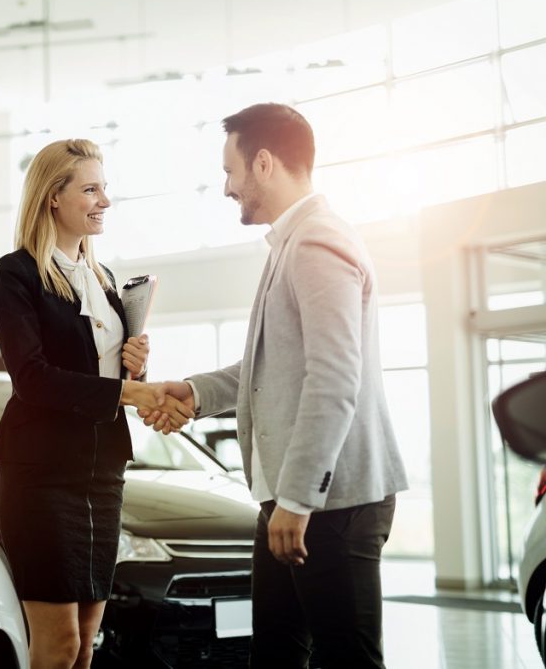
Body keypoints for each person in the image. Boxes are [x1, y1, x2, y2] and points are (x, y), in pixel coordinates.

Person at [144, 103, 408, 668]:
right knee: (276, 656)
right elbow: (274, 366)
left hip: (329, 505)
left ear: (262, 163)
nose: (226, 188)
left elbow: (334, 376)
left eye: (229, 172)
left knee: (347, 660)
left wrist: (296, 500)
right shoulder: (293, 242)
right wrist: (196, 393)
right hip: (298, 501)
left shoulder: (316, 242)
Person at [0, 138, 191, 669]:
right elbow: (31, 377)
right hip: (42, 474)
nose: (104, 201)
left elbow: (103, 372)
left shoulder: (102, 280)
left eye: (105, 188)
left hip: (103, 470)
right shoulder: (17, 274)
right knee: (57, 644)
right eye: (91, 189)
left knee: (85, 639)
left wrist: (135, 363)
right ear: (53, 197)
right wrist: (128, 390)